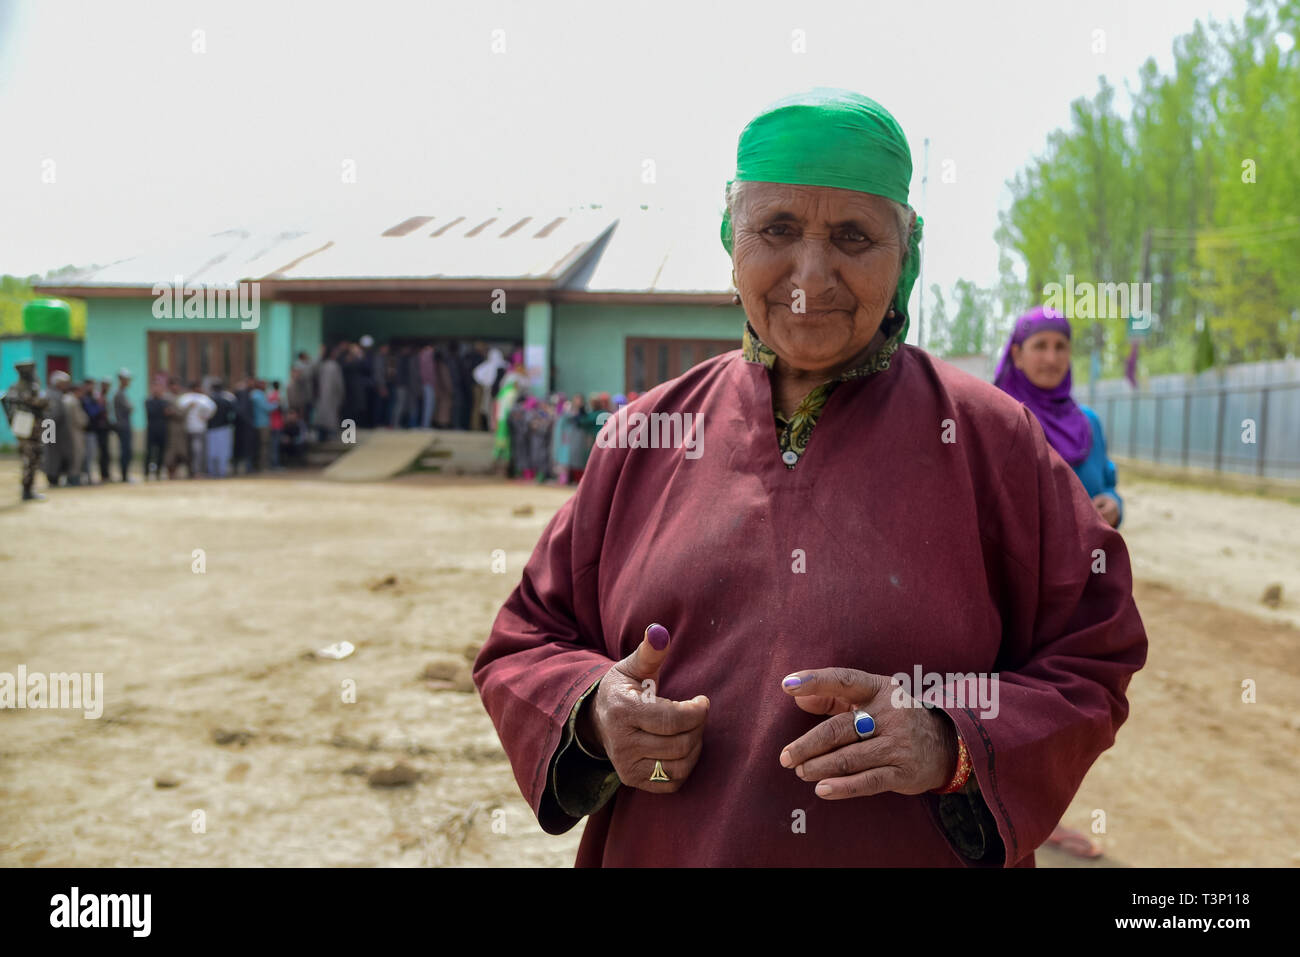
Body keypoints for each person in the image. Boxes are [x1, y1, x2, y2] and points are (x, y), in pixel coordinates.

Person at [472, 88, 1148, 867]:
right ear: (731, 241)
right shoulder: (643, 436)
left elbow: (1094, 655)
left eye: (854, 236)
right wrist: (595, 712)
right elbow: (524, 640)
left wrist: (949, 740)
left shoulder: (993, 442)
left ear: (909, 254)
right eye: (778, 230)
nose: (809, 275)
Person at [993, 304, 1125, 859]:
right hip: (1013, 592)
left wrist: (1112, 505)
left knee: (1073, 708)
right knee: (1014, 707)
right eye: (1039, 346)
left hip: (1082, 593)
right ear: (1017, 354)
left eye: (1060, 347)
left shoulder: (1087, 423)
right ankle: (1015, 818)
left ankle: (1048, 816)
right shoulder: (996, 416)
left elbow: (1111, 484)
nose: (1050, 357)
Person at [3, 359, 49, 501]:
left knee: (30, 458)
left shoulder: (14, 388)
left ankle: (28, 489)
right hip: (29, 429)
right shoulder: (28, 388)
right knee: (31, 458)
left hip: (24, 429)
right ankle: (27, 491)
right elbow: (40, 403)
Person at [177, 380, 215, 477]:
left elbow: (212, 409)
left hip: (198, 429)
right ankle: (192, 471)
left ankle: (197, 471)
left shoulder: (202, 398)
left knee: (197, 451)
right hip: (188, 429)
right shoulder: (187, 398)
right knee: (190, 452)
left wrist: (205, 417)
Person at [313, 344, 345, 441]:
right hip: (331, 397)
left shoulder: (322, 365)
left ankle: (322, 436)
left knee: (322, 418)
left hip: (322, 396)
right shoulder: (333, 366)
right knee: (329, 418)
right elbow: (339, 384)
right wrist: (341, 395)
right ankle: (329, 436)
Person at [206, 379, 237, 477]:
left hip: (210, 428)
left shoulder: (208, 399)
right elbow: (233, 414)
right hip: (224, 428)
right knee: (223, 452)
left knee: (211, 452)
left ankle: (212, 472)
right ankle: (222, 472)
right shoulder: (227, 399)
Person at [144, 377, 169, 479]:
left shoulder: (164, 401)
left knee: (161, 452)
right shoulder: (148, 401)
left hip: (162, 429)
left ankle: (158, 472)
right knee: (149, 452)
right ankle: (146, 473)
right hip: (152, 429)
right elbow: (155, 412)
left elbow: (167, 412)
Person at [113, 368, 134, 482]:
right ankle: (124, 476)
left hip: (125, 425)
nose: (128, 382)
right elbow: (129, 408)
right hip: (123, 426)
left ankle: (125, 474)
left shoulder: (122, 393)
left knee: (127, 451)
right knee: (125, 451)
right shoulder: (119, 394)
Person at [250, 378, 271, 471]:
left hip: (256, 423)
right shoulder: (258, 395)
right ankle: (262, 466)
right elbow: (267, 407)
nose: (265, 386)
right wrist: (276, 403)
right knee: (263, 446)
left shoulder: (253, 394)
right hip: (262, 424)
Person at [267, 379, 284, 468]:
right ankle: (275, 464)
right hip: (277, 424)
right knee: (275, 446)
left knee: (273, 445)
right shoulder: (278, 396)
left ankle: (273, 463)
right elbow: (281, 409)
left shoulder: (269, 396)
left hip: (271, 423)